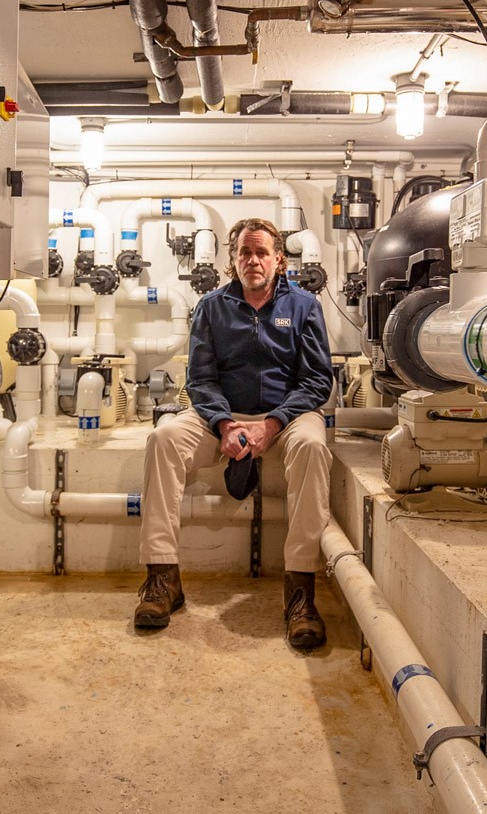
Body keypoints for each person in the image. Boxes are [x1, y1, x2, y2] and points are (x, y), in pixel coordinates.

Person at [134, 217, 334, 649]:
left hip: (287, 417)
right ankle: (162, 579)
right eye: (245, 252)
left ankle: (300, 594)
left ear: (279, 260)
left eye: (262, 252)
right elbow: (200, 379)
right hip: (222, 415)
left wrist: (273, 422)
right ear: (233, 259)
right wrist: (224, 423)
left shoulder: (303, 306)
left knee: (315, 446)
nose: (253, 260)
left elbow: (317, 381)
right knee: (163, 440)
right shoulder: (211, 306)